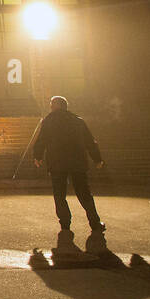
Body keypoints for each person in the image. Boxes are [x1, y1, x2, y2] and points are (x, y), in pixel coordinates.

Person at [32, 95, 105, 233]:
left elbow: (42, 140)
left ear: (54, 106)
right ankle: (95, 223)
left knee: (59, 194)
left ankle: (65, 223)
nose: (50, 107)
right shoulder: (78, 121)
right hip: (77, 163)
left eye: (51, 104)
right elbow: (90, 141)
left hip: (57, 163)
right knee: (84, 193)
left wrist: (38, 156)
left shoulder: (49, 121)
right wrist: (97, 159)